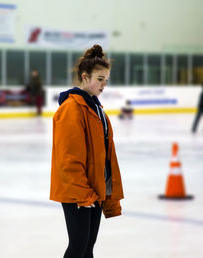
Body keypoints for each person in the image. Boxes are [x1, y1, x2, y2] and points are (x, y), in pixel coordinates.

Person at [50, 44, 124, 258]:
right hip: (78, 192)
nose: (104, 85)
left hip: (94, 188)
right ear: (85, 77)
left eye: (106, 80)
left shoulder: (96, 108)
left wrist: (104, 190)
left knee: (88, 247)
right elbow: (68, 158)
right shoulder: (72, 109)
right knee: (78, 246)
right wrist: (83, 193)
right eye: (100, 79)